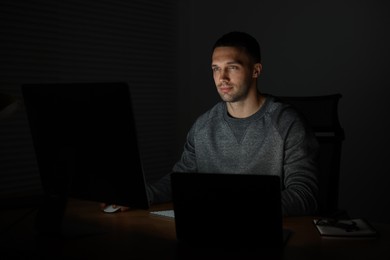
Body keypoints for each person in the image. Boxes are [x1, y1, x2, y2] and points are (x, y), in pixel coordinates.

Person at [102, 31, 319, 216]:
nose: (221, 77)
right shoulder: (203, 126)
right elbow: (180, 180)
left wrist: (234, 208)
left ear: (256, 70)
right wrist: (140, 196)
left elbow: (304, 194)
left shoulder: (286, 123)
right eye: (216, 68)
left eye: (232, 67)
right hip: (211, 231)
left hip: (265, 234)